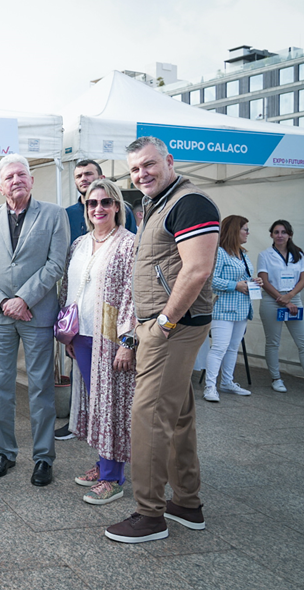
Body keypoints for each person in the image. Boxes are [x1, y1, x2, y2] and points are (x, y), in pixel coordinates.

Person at [105, 136, 219, 544]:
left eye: (149, 164)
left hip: (171, 328)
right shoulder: (158, 204)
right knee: (179, 416)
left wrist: (163, 324)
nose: (142, 174)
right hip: (168, 327)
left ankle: (148, 514)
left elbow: (198, 269)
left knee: (149, 418)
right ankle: (187, 503)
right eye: (135, 169)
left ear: (169, 161)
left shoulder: (190, 202)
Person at [0, 154, 69, 487]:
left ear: (32, 179)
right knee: (1, 387)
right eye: (10, 176)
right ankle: (6, 452)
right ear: (0, 186)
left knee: (41, 388)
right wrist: (4, 303)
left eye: (22, 174)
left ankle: (43, 458)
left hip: (37, 313)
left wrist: (24, 299)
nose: (17, 180)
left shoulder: (55, 215)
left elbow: (56, 264)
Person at [60, 179, 137, 505]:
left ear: (117, 206)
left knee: (112, 407)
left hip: (110, 339)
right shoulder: (79, 243)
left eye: (106, 202)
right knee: (95, 405)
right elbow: (69, 286)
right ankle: (104, 462)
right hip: (81, 336)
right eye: (92, 203)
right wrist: (67, 332)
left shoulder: (129, 244)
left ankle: (113, 478)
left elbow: (136, 296)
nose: (99, 208)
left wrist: (128, 342)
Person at [203, 216, 261, 402]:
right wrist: (235, 285)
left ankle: (227, 382)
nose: (248, 233)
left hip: (242, 308)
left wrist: (253, 282)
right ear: (235, 231)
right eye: (245, 229)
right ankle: (210, 387)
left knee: (232, 348)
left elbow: (243, 277)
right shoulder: (219, 252)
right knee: (219, 347)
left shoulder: (242, 253)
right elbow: (210, 279)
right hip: (224, 308)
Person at [257, 220, 304, 393]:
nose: (279, 235)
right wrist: (282, 298)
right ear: (271, 235)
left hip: (294, 300)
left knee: (302, 341)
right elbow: (264, 281)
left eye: (283, 232)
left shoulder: (299, 254)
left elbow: (303, 279)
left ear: (290, 235)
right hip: (272, 301)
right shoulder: (265, 255)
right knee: (273, 342)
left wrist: (290, 297)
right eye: (276, 232)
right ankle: (276, 378)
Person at [65, 160, 137, 245]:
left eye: (88, 174)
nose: (83, 179)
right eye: (78, 176)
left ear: (102, 178)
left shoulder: (124, 210)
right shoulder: (67, 214)